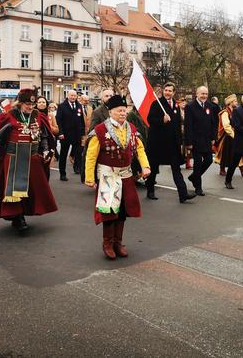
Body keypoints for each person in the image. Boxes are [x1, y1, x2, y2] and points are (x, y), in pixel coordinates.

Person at [84, 95, 151, 259]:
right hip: (107, 176)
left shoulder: (131, 129)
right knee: (109, 212)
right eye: (119, 110)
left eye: (124, 110)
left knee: (122, 211)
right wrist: (89, 178)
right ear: (110, 112)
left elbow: (139, 149)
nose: (123, 113)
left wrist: (145, 166)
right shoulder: (100, 130)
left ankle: (118, 242)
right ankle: (107, 243)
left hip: (126, 176)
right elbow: (91, 156)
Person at [0, 88, 57, 233]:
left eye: (32, 105)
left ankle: (24, 212)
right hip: (13, 157)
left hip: (32, 158)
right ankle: (17, 217)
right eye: (27, 104)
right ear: (20, 103)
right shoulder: (8, 116)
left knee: (32, 189)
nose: (30, 107)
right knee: (14, 189)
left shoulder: (38, 116)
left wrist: (45, 150)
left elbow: (44, 136)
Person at [145, 82, 196, 203]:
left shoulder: (176, 106)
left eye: (170, 91)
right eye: (166, 90)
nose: (167, 92)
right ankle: (150, 190)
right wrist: (161, 120)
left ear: (174, 92)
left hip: (172, 144)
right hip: (158, 143)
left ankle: (183, 194)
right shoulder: (157, 103)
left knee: (176, 168)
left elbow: (177, 125)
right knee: (153, 167)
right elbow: (150, 120)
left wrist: (179, 142)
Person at [184, 86, 218, 196]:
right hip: (195, 141)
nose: (204, 96)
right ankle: (198, 187)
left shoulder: (210, 106)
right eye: (202, 93)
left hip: (207, 140)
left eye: (206, 94)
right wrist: (188, 142)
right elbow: (188, 126)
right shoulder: (190, 107)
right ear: (197, 94)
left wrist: (213, 138)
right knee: (197, 164)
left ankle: (194, 177)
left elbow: (214, 123)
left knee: (208, 160)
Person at [55, 89, 85, 181]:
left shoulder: (79, 106)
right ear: (67, 96)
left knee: (78, 154)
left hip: (77, 134)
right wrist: (60, 133)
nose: (73, 97)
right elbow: (58, 120)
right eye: (71, 95)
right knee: (63, 155)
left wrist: (82, 133)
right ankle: (62, 173)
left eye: (74, 96)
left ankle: (78, 169)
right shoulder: (62, 106)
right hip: (65, 134)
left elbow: (81, 120)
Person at [215, 94, 241, 176]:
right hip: (226, 136)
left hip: (234, 135)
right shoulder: (225, 113)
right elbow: (226, 126)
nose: (237, 102)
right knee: (225, 153)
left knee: (239, 152)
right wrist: (233, 135)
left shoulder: (235, 111)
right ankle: (222, 169)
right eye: (235, 101)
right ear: (230, 102)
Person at [178, 97, 193, 169]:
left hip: (187, 132)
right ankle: (176, 163)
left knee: (188, 148)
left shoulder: (187, 111)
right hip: (179, 132)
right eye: (182, 103)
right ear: (179, 104)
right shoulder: (176, 112)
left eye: (185, 103)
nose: (184, 104)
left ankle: (188, 163)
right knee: (179, 148)